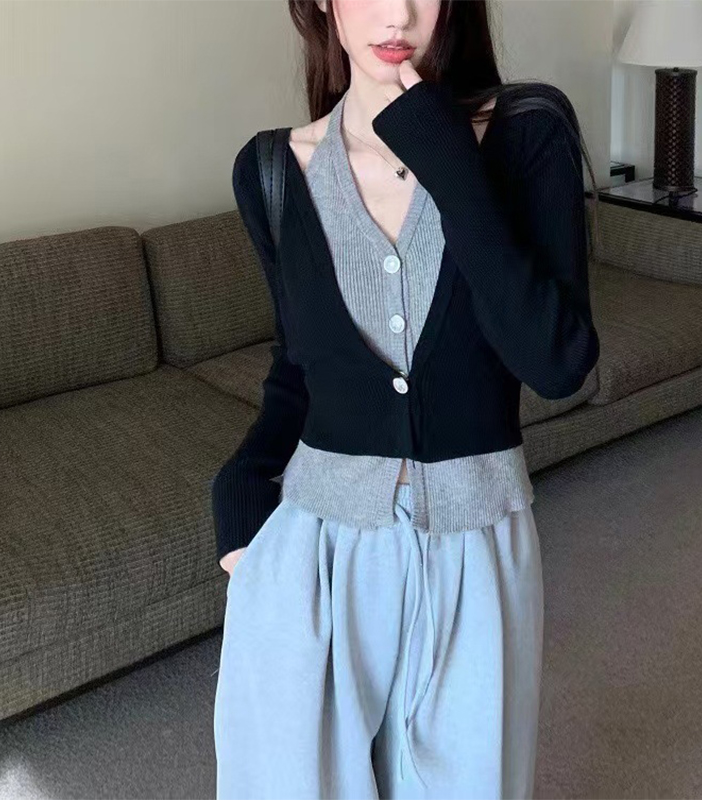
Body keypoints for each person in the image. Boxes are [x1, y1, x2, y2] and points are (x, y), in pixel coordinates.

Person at [211, 0, 601, 797]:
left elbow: (558, 363)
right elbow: (297, 368)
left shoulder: (528, 131)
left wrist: (448, 159)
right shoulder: (272, 171)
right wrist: (243, 488)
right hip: (314, 557)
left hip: (475, 548)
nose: (398, 13)